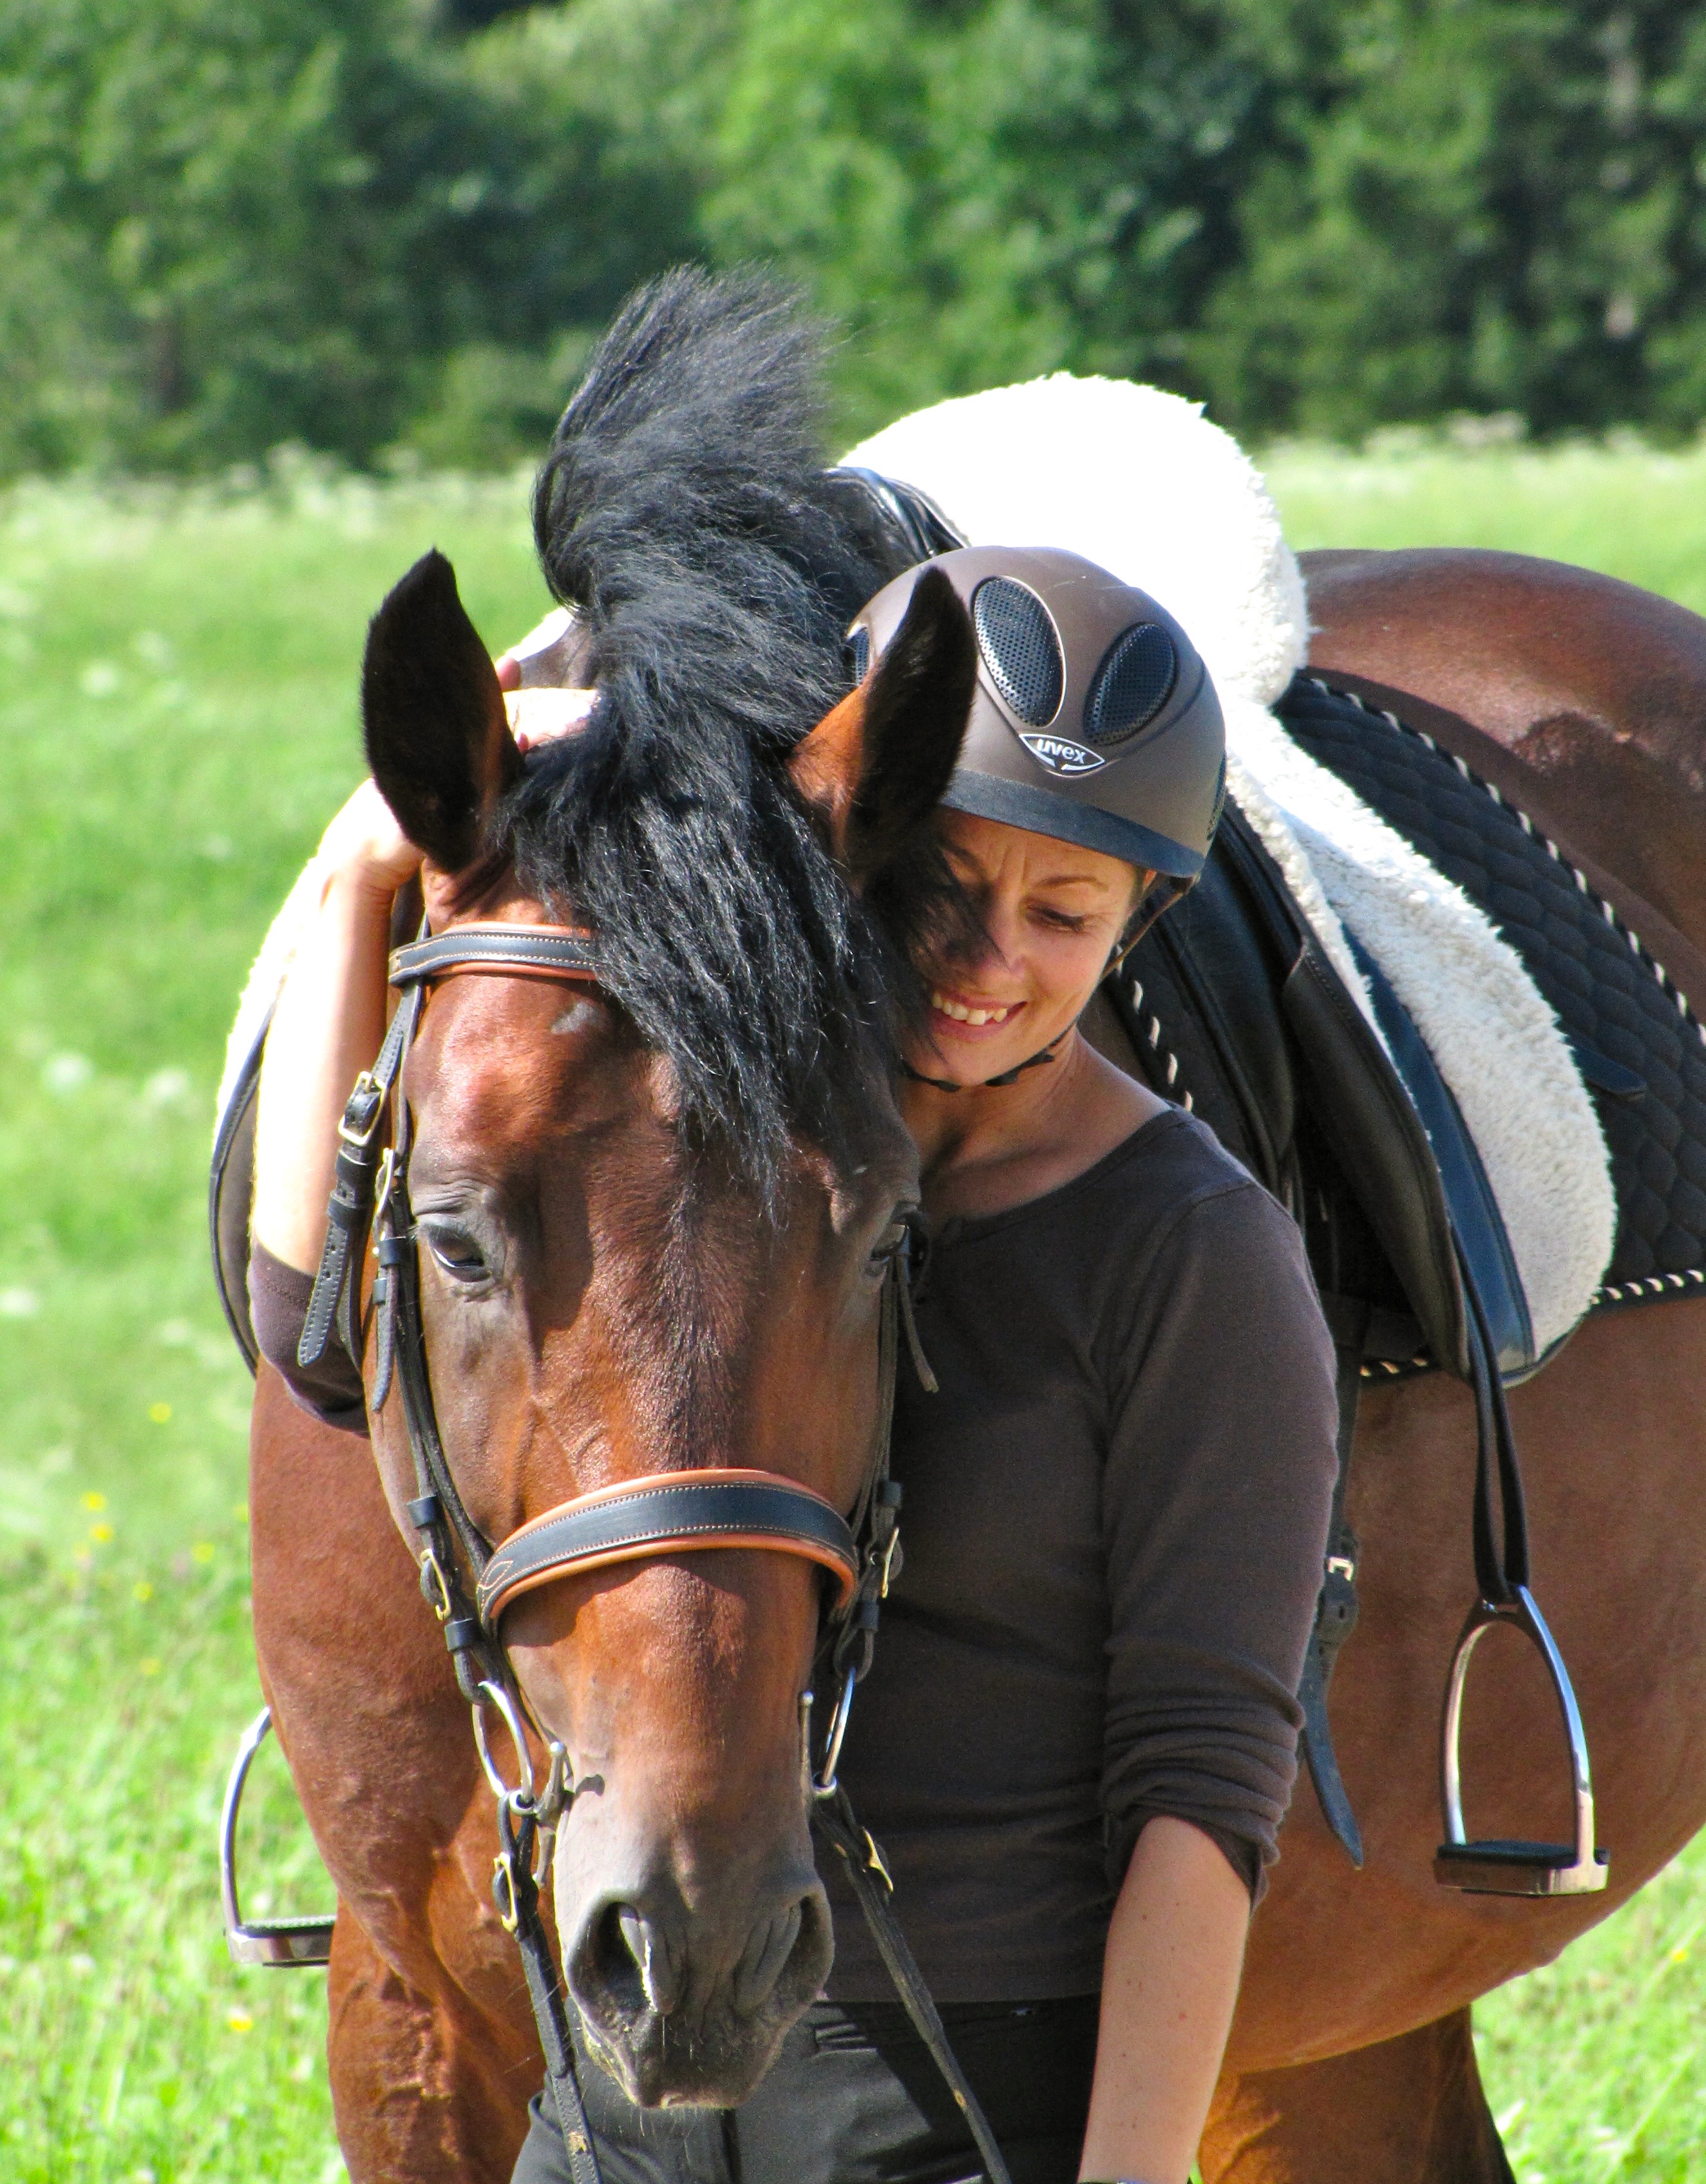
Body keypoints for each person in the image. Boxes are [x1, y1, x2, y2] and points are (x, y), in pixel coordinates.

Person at [247, 547, 1337, 2184]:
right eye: (944, 886)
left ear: (1136, 918)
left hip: (955, 2108)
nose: (984, 958)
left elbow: (1201, 1789)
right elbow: (321, 1339)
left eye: (1063, 912)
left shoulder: (1193, 1257)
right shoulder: (728, 1171)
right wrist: (355, 876)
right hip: (609, 2116)